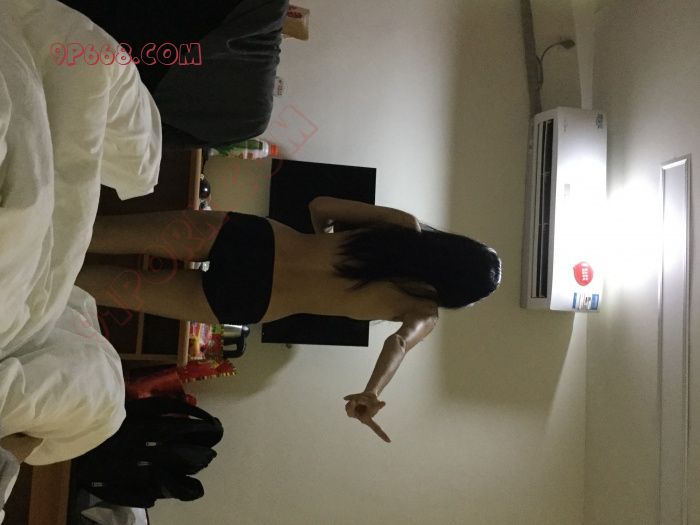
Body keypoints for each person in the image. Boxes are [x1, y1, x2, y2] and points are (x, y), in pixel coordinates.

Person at [77, 197, 501, 442]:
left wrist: (324, 242)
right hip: (254, 299)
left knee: (94, 231)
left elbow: (320, 206)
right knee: (102, 287)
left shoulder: (404, 228)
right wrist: (371, 392)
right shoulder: (422, 311)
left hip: (255, 241)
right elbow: (399, 344)